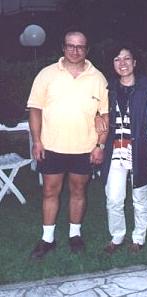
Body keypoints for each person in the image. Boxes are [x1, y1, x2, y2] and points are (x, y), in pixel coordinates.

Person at [27, 30, 109, 260]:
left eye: (80, 46)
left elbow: (104, 116)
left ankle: (75, 235)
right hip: (52, 145)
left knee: (78, 191)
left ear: (87, 49)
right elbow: (35, 109)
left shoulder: (98, 78)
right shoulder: (46, 74)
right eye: (70, 46)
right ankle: (47, 239)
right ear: (63, 47)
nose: (75, 50)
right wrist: (37, 141)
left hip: (84, 147)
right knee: (50, 191)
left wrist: (99, 146)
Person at [99, 44, 147, 255]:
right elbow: (99, 114)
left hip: (140, 150)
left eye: (126, 58)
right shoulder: (109, 89)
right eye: (117, 59)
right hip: (115, 152)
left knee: (140, 197)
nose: (122, 63)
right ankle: (117, 236)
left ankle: (138, 237)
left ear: (134, 62)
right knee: (113, 197)